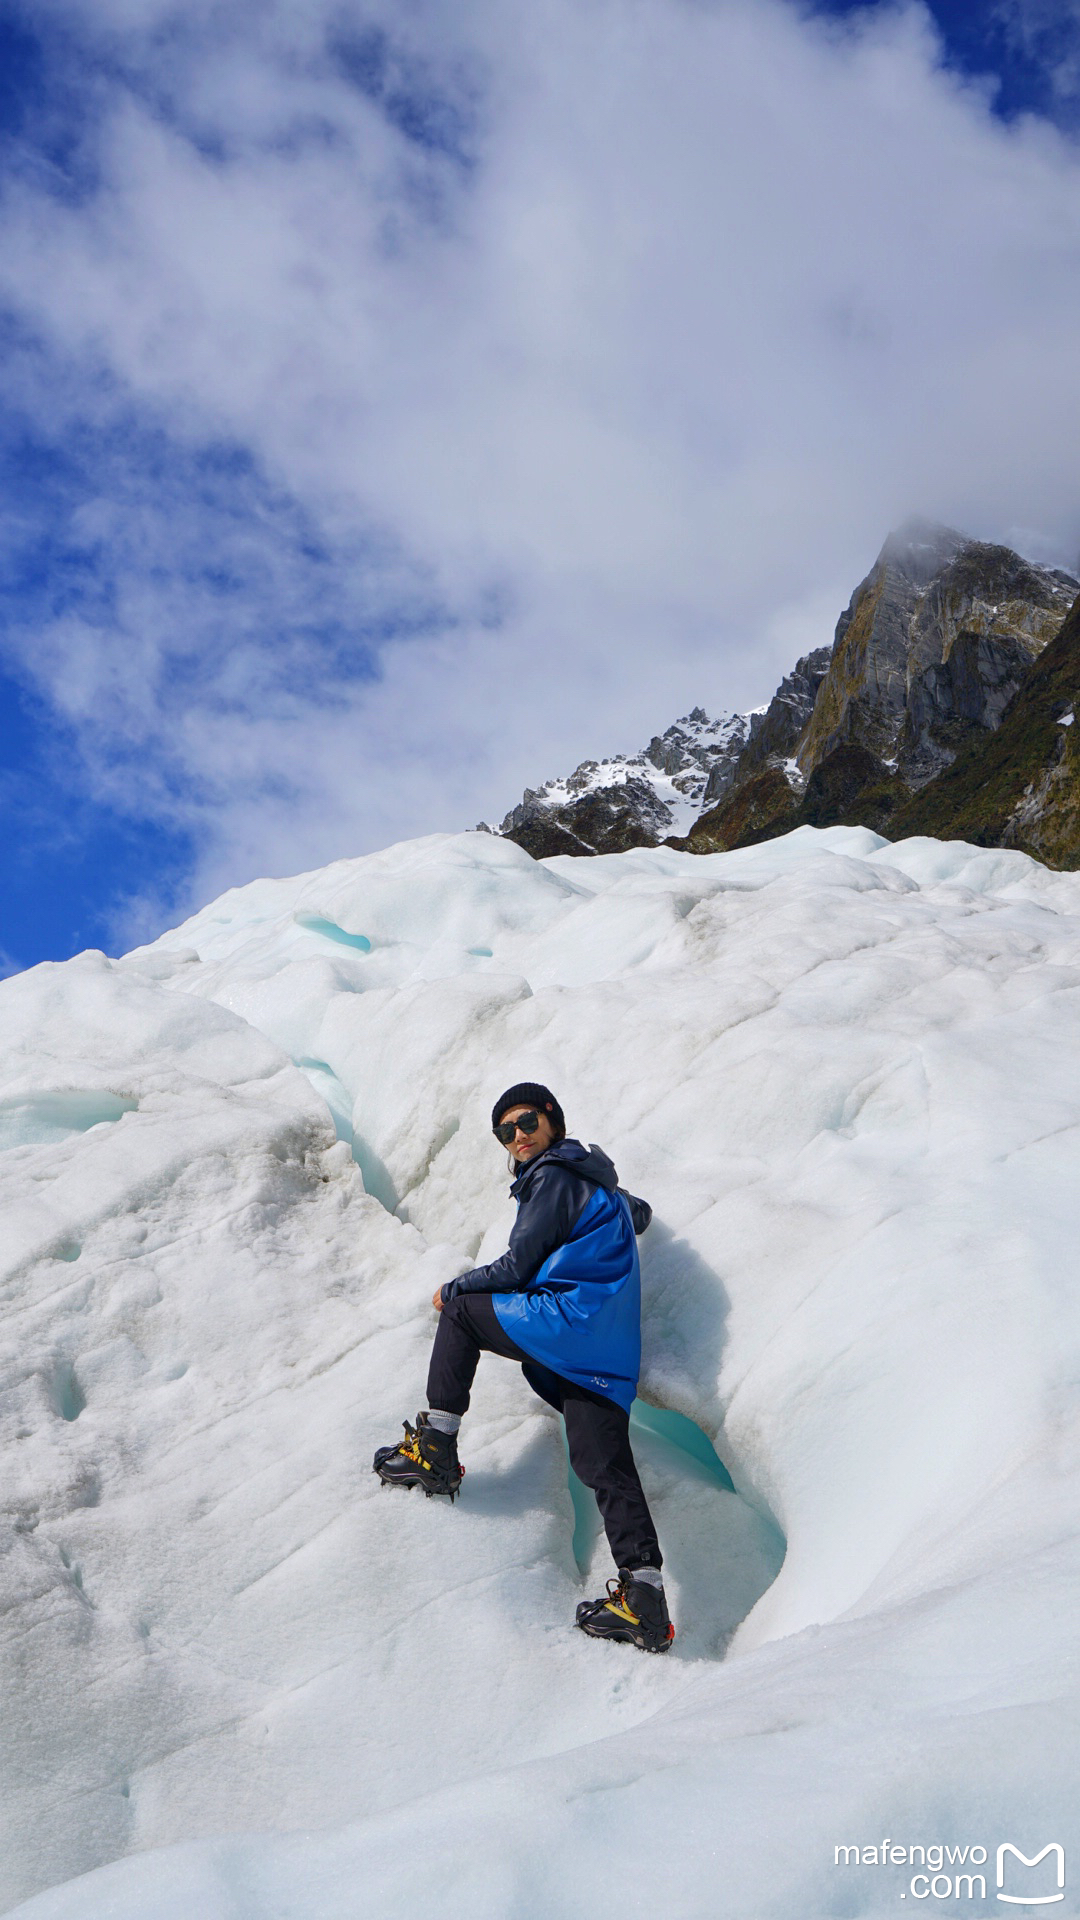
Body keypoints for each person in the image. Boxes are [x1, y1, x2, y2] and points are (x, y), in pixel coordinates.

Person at [373, 1082, 674, 1654]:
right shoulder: (595, 1182)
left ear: (552, 1120)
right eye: (506, 1132)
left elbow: (518, 1266)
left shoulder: (553, 1177)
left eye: (527, 1122)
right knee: (605, 1465)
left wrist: (452, 1287)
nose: (519, 1137)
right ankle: (646, 1600)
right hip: (606, 1353)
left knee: (463, 1314)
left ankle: (434, 1447)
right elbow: (639, 1213)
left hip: (566, 1320)